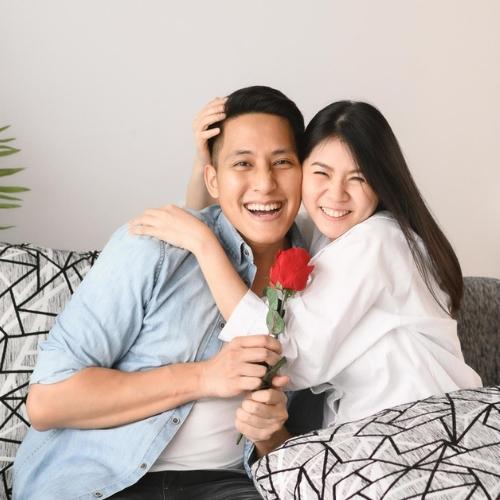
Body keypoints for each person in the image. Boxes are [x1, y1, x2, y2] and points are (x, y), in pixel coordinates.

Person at [13, 85, 315, 500]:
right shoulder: (155, 248)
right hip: (97, 481)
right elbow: (48, 403)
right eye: (242, 163)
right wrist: (205, 377)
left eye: (282, 162)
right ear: (213, 179)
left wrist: (269, 434)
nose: (265, 183)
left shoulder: (324, 278)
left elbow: (295, 448)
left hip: (230, 484)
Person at [129, 99, 482, 444]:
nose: (336, 195)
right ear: (300, 172)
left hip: (420, 435)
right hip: (379, 433)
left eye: (358, 178)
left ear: (381, 183)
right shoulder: (330, 233)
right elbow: (231, 218)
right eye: (321, 173)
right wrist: (205, 160)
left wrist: (203, 244)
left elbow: (284, 358)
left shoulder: (378, 240)